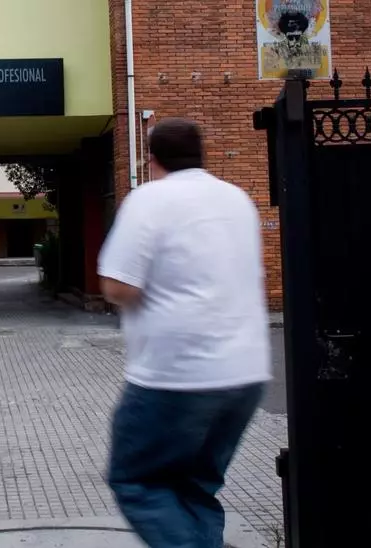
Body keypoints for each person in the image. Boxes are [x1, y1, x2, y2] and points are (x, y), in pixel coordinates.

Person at [97, 118, 271, 548]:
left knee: (137, 481)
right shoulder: (236, 200)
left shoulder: (149, 200)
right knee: (195, 487)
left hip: (176, 375)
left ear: (152, 158)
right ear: (200, 154)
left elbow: (118, 285)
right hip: (246, 373)